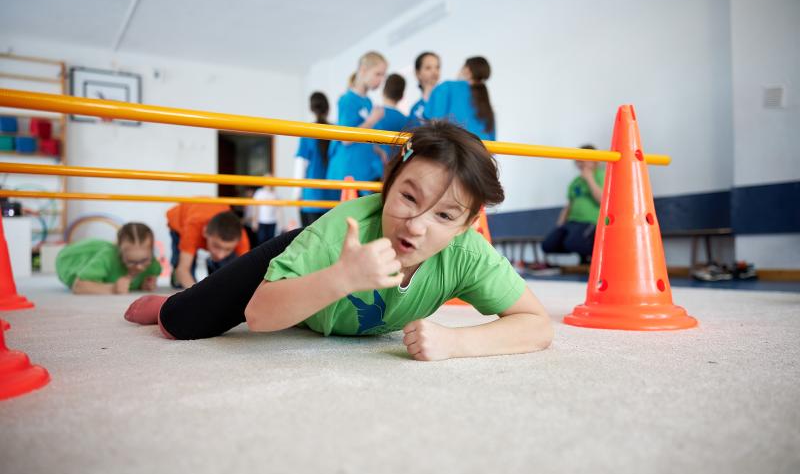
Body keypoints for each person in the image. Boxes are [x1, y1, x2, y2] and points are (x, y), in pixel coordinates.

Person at [124, 121, 553, 361]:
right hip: (305, 256)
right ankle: (170, 301)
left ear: (466, 224)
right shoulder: (337, 232)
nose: (416, 226)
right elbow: (258, 316)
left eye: (444, 215)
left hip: (325, 300)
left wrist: (459, 343)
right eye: (408, 197)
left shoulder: (466, 254)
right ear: (388, 184)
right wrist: (342, 277)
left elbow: (537, 324)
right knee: (181, 322)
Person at [324, 52, 388, 195]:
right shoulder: (347, 100)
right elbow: (346, 139)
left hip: (363, 171)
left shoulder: (368, 102)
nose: (381, 80)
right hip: (348, 173)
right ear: (363, 70)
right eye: (378, 74)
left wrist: (378, 150)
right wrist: (372, 119)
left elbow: (365, 135)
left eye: (384, 75)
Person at [56, 222, 161, 294]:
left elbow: (148, 279)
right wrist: (112, 288)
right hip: (72, 257)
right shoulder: (109, 257)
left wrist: (146, 284)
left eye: (144, 260)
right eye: (131, 262)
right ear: (119, 251)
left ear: (151, 251)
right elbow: (78, 286)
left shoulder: (153, 266)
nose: (139, 267)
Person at [541, 145, 605, 264]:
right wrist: (560, 225)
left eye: (584, 159)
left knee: (573, 242)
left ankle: (596, 256)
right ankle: (583, 253)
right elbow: (569, 205)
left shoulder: (601, 175)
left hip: (591, 222)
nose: (581, 163)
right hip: (572, 222)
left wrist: (589, 178)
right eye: (579, 160)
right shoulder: (575, 182)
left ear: (595, 161)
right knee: (548, 244)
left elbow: (603, 200)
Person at [166, 203, 250, 289]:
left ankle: (213, 266)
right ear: (204, 232)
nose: (220, 255)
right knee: (181, 280)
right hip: (179, 220)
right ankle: (175, 269)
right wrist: (199, 295)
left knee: (227, 271)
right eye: (216, 246)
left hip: (208, 213)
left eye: (228, 249)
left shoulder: (240, 236)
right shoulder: (192, 230)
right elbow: (183, 269)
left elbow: (247, 271)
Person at [425, 56, 495, 141]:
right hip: (480, 152)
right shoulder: (486, 105)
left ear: (467, 70)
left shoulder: (446, 87)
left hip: (453, 150)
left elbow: (434, 123)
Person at [294, 92, 332, 227]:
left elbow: (300, 165)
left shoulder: (307, 131)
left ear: (311, 109)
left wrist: (296, 195)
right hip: (333, 196)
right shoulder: (336, 130)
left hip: (311, 197)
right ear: (328, 108)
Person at [372, 73, 409, 166]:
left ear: (383, 91)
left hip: (371, 171)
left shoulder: (372, 115)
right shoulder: (405, 120)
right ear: (402, 96)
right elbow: (409, 150)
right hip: (393, 169)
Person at [407, 52, 441, 129]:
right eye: (428, 68)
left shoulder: (448, 99)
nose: (434, 72)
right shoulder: (415, 110)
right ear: (417, 73)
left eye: (437, 67)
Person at [246, 177, 277, 245]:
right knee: (261, 241)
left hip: (272, 221)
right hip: (261, 221)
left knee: (271, 242)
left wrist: (281, 223)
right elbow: (255, 207)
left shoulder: (275, 193)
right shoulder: (259, 192)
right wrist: (254, 222)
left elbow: (278, 209)